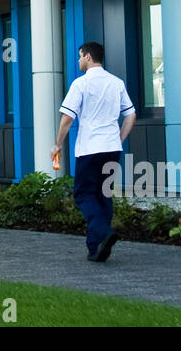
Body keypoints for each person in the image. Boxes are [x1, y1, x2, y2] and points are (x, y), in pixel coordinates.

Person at [51, 41, 137, 263]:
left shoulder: (81, 84)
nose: (78, 60)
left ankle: (104, 233)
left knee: (84, 194)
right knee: (103, 195)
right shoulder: (116, 83)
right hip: (111, 149)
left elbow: (67, 118)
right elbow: (131, 115)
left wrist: (58, 144)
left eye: (80, 56)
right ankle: (95, 248)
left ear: (88, 57)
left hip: (89, 149)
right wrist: (119, 139)